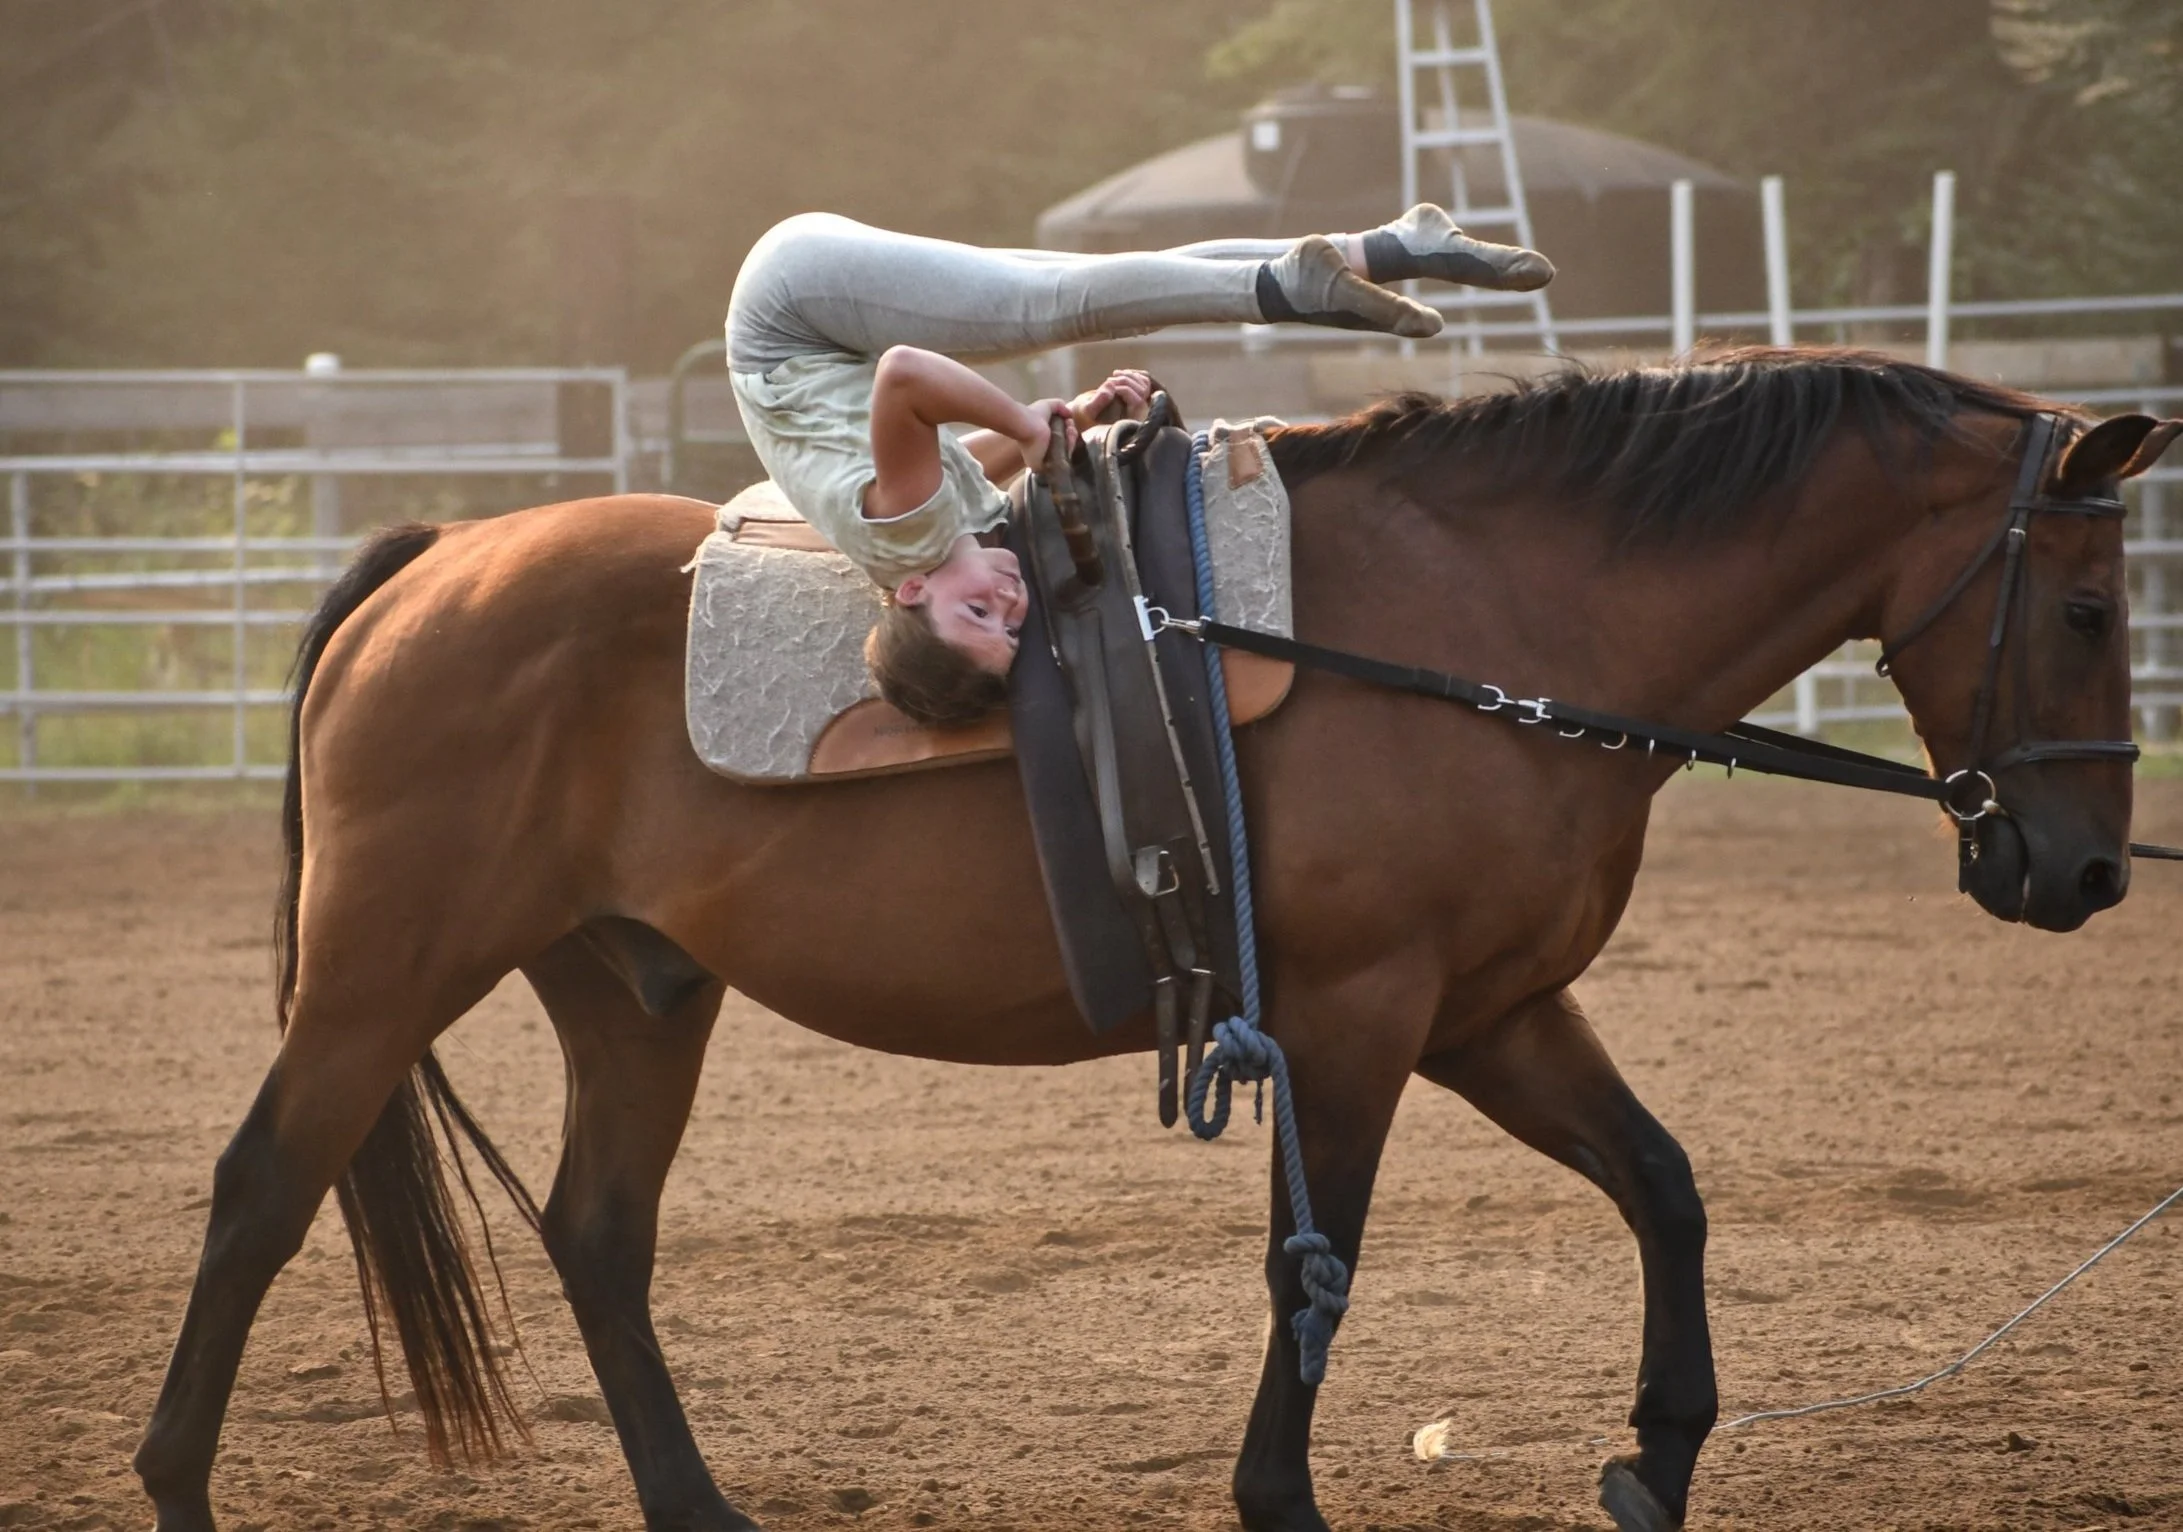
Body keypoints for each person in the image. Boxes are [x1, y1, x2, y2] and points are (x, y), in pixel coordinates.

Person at [724, 208, 1552, 726]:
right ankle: (1387, 246)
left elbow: (905, 372)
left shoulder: (908, 538)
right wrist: (1069, 420)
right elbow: (953, 462)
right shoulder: (931, 535)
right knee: (1085, 284)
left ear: (913, 594)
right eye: (1011, 629)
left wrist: (1022, 420)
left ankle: (1287, 288)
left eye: (977, 615)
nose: (1010, 604)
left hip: (790, 313)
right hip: (802, 305)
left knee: (1051, 308)